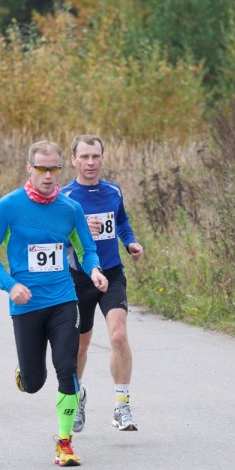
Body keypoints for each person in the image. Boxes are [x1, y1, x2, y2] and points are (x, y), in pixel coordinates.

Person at [0, 140, 108, 467]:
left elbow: (85, 247)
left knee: (67, 368)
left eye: (54, 169)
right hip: (26, 304)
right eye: (42, 169)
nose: (49, 175)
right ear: (29, 169)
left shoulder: (70, 209)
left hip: (64, 300)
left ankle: (64, 443)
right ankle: (27, 369)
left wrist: (93, 269)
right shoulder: (9, 206)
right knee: (34, 384)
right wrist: (10, 285)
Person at [62, 134, 144, 433]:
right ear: (73, 160)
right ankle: (77, 396)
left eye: (95, 156)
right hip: (79, 277)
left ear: (102, 158)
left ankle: (122, 405)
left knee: (119, 336)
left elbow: (121, 221)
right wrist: (80, 231)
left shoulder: (113, 190)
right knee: (80, 344)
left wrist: (130, 243)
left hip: (111, 273)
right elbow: (55, 241)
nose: (90, 162)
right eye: (84, 156)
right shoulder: (65, 197)